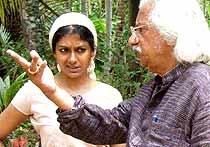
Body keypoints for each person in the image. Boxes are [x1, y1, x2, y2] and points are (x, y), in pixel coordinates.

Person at [5, 0, 210, 146]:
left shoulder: (201, 86)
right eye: (64, 50)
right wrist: (52, 91)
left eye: (139, 29)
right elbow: (106, 126)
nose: (132, 40)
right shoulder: (153, 89)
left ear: (169, 33)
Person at [0, 12, 126, 147]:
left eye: (81, 50)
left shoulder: (110, 95)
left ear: (92, 52)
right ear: (54, 52)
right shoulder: (35, 90)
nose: (72, 59)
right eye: (64, 50)